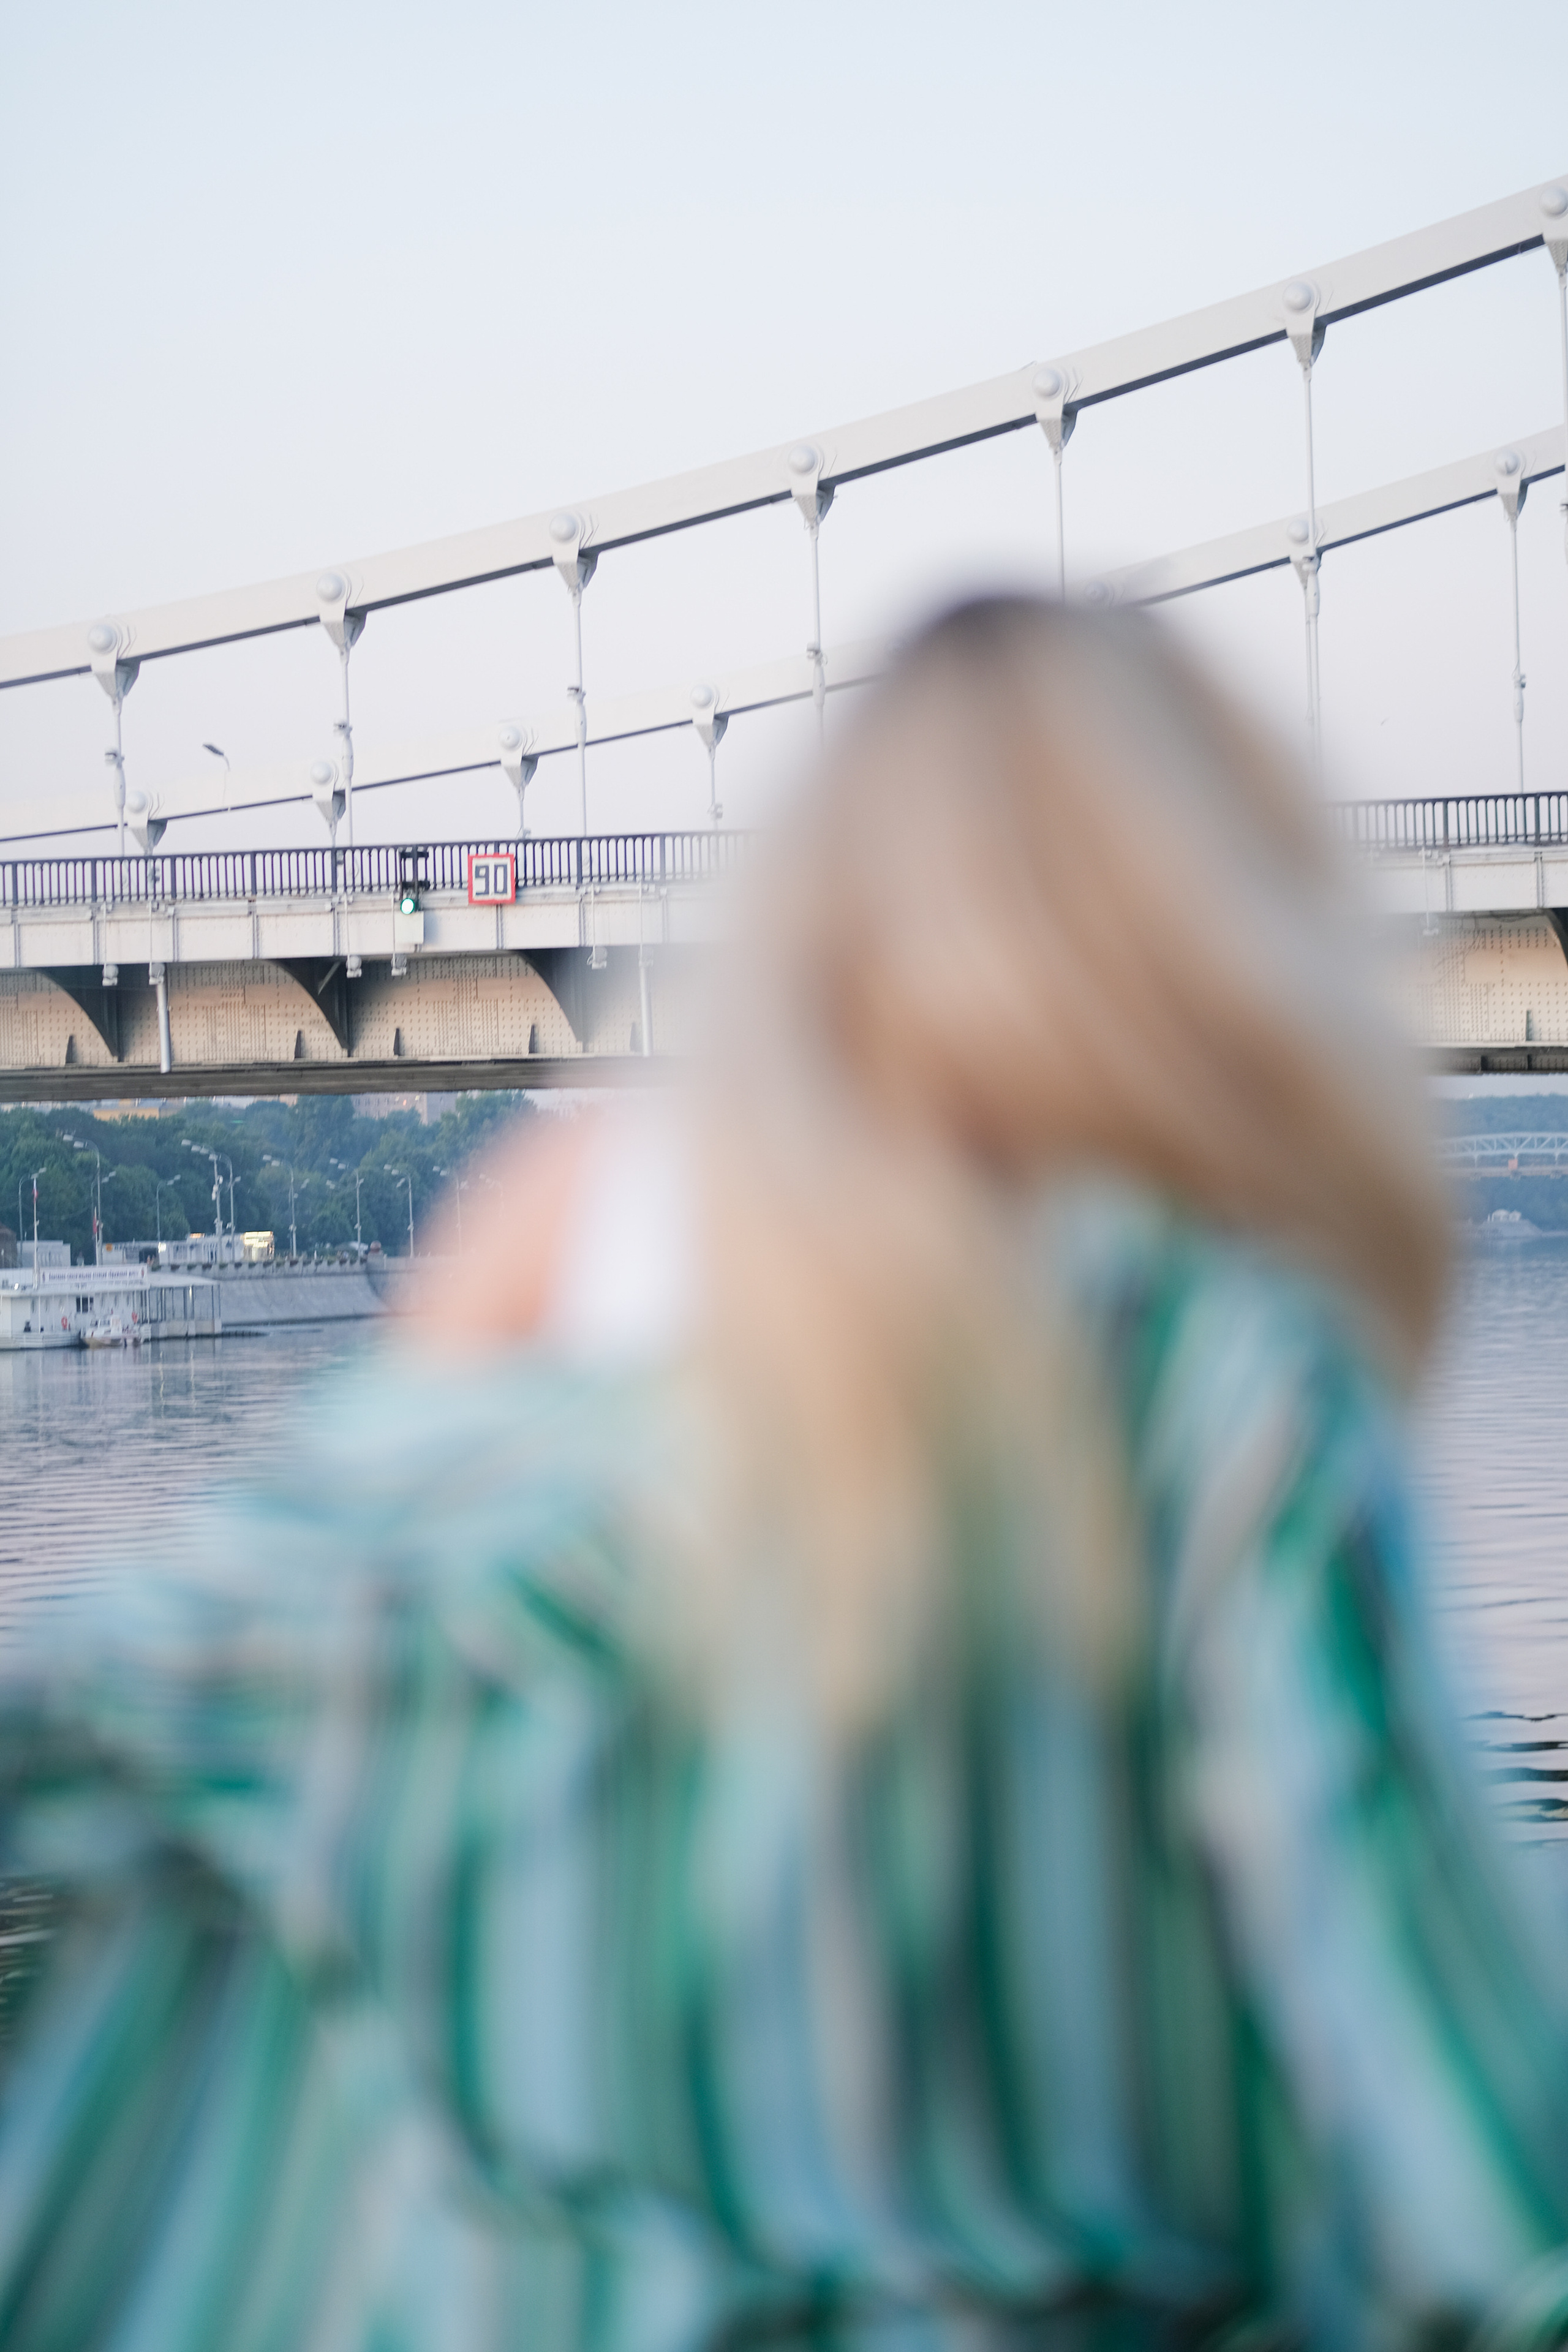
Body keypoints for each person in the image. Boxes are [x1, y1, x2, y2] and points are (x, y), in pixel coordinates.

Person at [1, 595, 1566, 2351]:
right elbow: (1483, 2163)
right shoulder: (1208, 1369)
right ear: (1239, 946)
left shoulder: (557, 1224)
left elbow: (184, 1694)